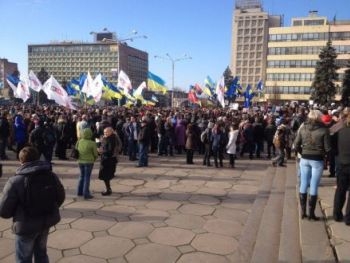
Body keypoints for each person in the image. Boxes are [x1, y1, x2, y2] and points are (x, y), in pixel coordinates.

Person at [0, 146, 65, 262]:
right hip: (46, 221)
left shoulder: (15, 181)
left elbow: (4, 210)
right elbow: (60, 197)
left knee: (24, 258)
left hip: (25, 225)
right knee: (41, 254)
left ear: (21, 161)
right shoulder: (51, 175)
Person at [294, 109, 331, 220]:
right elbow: (328, 148)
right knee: (314, 185)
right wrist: (323, 155)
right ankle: (311, 214)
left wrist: (303, 152)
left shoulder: (303, 128)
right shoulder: (324, 130)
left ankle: (303, 212)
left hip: (304, 158)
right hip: (317, 159)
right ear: (319, 117)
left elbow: (296, 145)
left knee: (303, 184)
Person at [333, 107, 350, 224]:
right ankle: (348, 218)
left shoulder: (339, 130)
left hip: (341, 163)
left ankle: (337, 214)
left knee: (340, 190)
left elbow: (332, 144)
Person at [98, 127, 122, 196]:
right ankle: (108, 188)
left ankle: (108, 190)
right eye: (104, 132)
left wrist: (102, 151)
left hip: (108, 160)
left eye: (106, 132)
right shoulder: (106, 138)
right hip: (106, 159)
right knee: (105, 176)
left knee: (106, 176)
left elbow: (110, 151)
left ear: (111, 132)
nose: (105, 133)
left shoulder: (112, 139)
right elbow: (103, 145)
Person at [76, 128, 98, 199]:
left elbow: (76, 150)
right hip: (89, 162)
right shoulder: (92, 143)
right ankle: (86, 193)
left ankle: (79, 191)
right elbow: (95, 154)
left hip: (80, 161)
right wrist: (94, 158)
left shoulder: (79, 141)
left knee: (81, 176)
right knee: (87, 178)